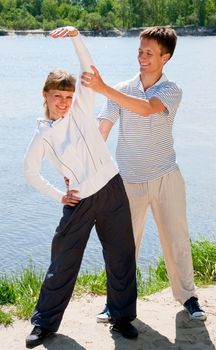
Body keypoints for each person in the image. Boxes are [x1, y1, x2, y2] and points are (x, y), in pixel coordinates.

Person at [81, 26, 206, 322]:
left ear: (166, 57)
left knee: (177, 240)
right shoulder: (121, 89)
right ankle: (116, 303)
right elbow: (102, 130)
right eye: (140, 51)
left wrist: (103, 88)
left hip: (166, 177)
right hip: (128, 181)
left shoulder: (170, 90)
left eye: (149, 53)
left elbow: (148, 109)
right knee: (123, 245)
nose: (142, 57)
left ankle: (188, 297)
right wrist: (83, 167)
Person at [24, 26, 138, 348]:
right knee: (63, 261)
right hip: (78, 201)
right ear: (45, 95)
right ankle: (44, 324)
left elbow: (89, 71)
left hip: (111, 187)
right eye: (57, 96)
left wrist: (76, 37)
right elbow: (30, 172)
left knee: (121, 254)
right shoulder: (42, 135)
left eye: (68, 96)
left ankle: (122, 316)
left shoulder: (81, 109)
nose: (63, 102)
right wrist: (59, 194)